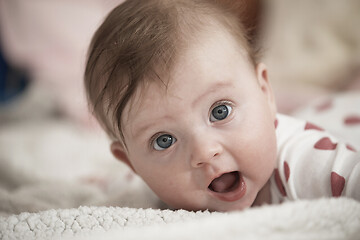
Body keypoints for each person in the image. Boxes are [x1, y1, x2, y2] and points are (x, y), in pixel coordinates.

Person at [84, 0, 360, 212]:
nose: (204, 152)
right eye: (164, 140)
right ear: (132, 163)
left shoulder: (305, 160)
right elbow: (124, 187)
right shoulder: (151, 187)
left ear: (264, 91)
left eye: (220, 111)